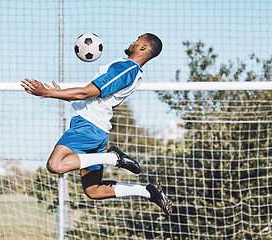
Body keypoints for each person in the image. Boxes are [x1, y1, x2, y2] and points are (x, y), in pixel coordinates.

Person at [21, 33, 173, 215]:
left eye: (137, 40)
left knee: (55, 164)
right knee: (93, 190)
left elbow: (87, 93)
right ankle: (147, 192)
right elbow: (94, 100)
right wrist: (63, 93)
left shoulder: (126, 69)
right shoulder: (130, 70)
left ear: (143, 48)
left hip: (88, 127)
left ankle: (113, 158)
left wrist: (46, 92)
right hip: (95, 129)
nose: (133, 41)